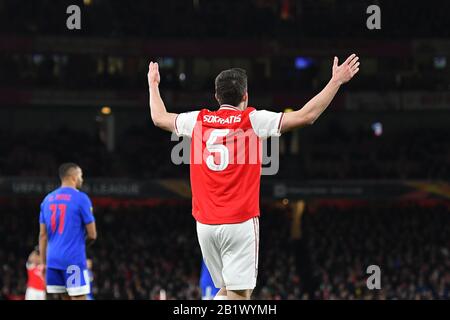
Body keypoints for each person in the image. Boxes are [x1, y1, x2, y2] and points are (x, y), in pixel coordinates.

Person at [148, 54, 359, 300]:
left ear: (217, 96)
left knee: (225, 290)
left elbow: (159, 117)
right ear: (245, 96)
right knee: (240, 295)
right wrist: (336, 82)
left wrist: (153, 84)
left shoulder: (198, 120)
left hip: (205, 224)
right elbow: (306, 116)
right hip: (239, 222)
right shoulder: (252, 119)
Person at [39, 163, 97, 300]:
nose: (82, 179)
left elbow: (42, 235)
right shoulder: (81, 198)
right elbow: (92, 235)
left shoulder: (47, 200)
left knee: (63, 297)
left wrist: (43, 263)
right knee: (79, 297)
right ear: (73, 177)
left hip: (53, 261)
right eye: (81, 175)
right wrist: (80, 246)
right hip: (73, 259)